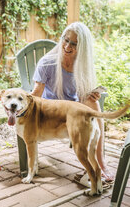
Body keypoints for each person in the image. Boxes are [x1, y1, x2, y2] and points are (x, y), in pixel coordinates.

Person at [31, 21, 114, 182]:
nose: (67, 46)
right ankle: (92, 164)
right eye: (66, 39)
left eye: (74, 43)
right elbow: (36, 96)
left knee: (94, 105)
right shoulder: (47, 63)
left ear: (82, 48)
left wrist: (92, 96)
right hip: (51, 111)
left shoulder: (81, 66)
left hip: (72, 111)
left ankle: (100, 161)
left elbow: (82, 96)